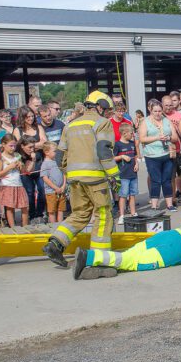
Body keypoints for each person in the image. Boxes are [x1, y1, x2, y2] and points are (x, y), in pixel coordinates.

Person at [42, 90, 119, 268]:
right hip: (96, 178)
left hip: (74, 179)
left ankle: (55, 243)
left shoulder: (70, 125)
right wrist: (114, 174)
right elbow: (104, 150)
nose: (107, 113)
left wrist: (69, 172)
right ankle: (100, 257)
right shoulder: (102, 123)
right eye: (106, 109)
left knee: (79, 213)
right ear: (100, 106)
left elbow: (60, 156)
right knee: (104, 214)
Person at [72, 214, 181, 280]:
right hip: (180, 248)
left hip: (172, 234)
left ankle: (104, 269)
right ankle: (88, 257)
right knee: (133, 261)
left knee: (131, 253)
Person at [139, 100, 179, 211]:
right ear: (150, 111)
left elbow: (175, 137)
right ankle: (154, 205)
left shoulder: (167, 121)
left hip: (166, 154)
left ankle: (169, 204)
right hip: (151, 156)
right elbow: (142, 138)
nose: (158, 113)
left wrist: (169, 138)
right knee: (155, 180)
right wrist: (157, 138)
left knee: (167, 179)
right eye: (155, 111)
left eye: (159, 111)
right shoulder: (145, 122)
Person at [14, 106, 48, 224]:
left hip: (39, 163)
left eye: (32, 116)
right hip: (25, 164)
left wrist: (30, 145)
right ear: (22, 117)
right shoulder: (17, 130)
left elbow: (44, 142)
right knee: (29, 191)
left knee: (42, 189)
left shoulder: (38, 127)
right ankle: (32, 214)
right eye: (28, 116)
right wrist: (36, 145)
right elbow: (20, 147)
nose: (31, 118)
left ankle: (40, 213)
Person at [0, 134, 29, 227]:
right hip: (7, 185)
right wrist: (9, 167)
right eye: (11, 145)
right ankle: (12, 227)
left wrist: (21, 166)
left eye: (14, 145)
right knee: (10, 208)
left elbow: (23, 171)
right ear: (3, 144)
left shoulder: (17, 155)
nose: (13, 148)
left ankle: (25, 226)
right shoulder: (1, 157)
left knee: (24, 206)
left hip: (18, 184)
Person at [114, 123, 139, 225]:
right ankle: (122, 215)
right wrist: (122, 157)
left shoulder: (132, 143)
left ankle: (133, 213)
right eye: (131, 133)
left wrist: (137, 163)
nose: (132, 134)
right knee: (123, 195)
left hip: (133, 173)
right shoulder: (117, 145)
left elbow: (135, 155)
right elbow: (113, 158)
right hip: (123, 175)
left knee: (132, 194)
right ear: (124, 133)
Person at [40, 142, 67, 223]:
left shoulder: (58, 161)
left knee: (61, 209)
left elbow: (64, 173)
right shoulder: (45, 164)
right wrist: (56, 188)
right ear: (46, 152)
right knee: (52, 211)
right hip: (51, 192)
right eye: (55, 151)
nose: (57, 153)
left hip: (61, 190)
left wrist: (63, 186)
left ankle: (60, 226)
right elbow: (45, 178)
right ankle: (53, 226)